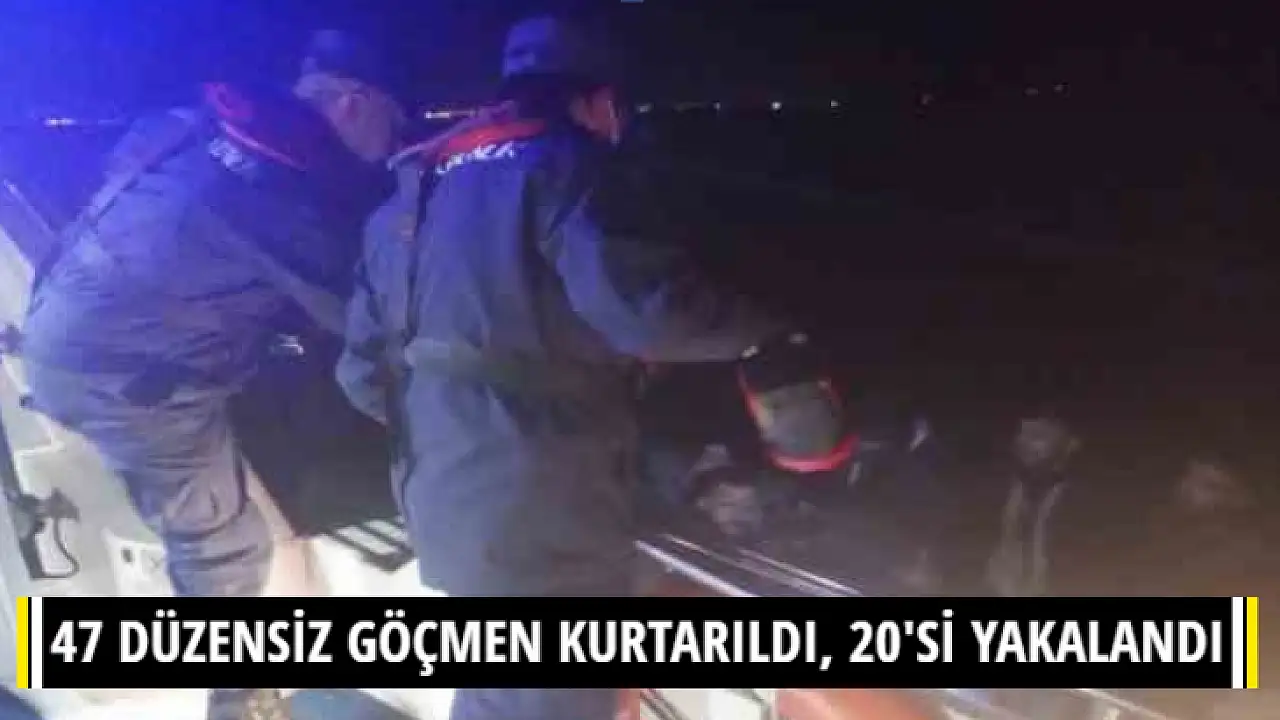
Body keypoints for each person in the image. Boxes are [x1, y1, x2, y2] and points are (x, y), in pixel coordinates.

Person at [337, 14, 778, 720]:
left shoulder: (410, 192)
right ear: (601, 102)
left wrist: (459, 429)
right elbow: (650, 315)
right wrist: (768, 334)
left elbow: (361, 376)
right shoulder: (573, 166)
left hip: (442, 499)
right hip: (542, 511)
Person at [18, 29, 406, 720]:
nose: (390, 143)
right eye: (393, 123)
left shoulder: (194, 126)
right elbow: (366, 313)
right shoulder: (279, 191)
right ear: (354, 103)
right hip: (130, 378)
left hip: (65, 331)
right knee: (222, 544)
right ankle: (242, 699)